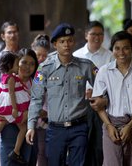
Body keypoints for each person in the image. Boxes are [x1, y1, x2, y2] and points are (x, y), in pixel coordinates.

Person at [26, 23, 97, 166]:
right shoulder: (45, 68)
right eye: (62, 41)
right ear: (54, 44)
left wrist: (99, 99)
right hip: (55, 129)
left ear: (74, 42)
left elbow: (103, 87)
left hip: (79, 127)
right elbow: (36, 98)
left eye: (70, 40)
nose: (66, 45)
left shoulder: (86, 66)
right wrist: (31, 125)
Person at [91, 31, 132, 166]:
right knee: (111, 162)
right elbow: (98, 104)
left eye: (126, 48)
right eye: (117, 48)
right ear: (112, 50)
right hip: (110, 123)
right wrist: (108, 125)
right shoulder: (104, 71)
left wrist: (130, 126)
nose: (121, 52)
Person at [73, 21, 113, 166]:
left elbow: (112, 82)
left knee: (98, 144)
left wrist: (98, 93)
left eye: (100, 34)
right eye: (93, 34)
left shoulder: (110, 56)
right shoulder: (76, 55)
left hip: (101, 106)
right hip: (80, 106)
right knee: (82, 142)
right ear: (86, 35)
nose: (97, 37)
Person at [0, 52, 29, 164]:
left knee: (0, 125)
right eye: (17, 64)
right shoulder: (11, 78)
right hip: (10, 106)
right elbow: (11, 93)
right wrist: (15, 109)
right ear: (9, 66)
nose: (19, 67)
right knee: (23, 128)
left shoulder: (4, 76)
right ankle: (16, 152)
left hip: (4, 105)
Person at [31, 34, 51, 166]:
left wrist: (44, 110)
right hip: (29, 116)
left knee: (43, 150)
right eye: (38, 55)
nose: (41, 58)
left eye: (44, 56)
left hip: (45, 116)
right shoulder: (27, 69)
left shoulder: (49, 69)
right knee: (31, 150)